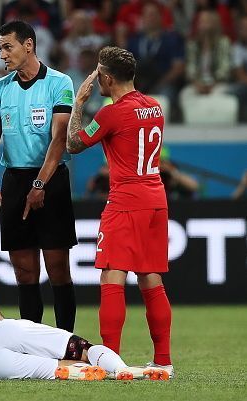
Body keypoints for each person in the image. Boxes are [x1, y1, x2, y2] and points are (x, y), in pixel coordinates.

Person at [66, 46, 174, 378]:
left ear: (108, 78)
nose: (95, 79)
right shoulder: (154, 107)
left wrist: (79, 102)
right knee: (150, 278)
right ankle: (163, 361)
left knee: (112, 275)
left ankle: (110, 361)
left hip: (126, 201)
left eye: (98, 74)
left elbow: (73, 143)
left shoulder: (112, 113)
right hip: (156, 199)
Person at [0, 21, 78, 332]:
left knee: (58, 268)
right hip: (14, 180)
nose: (3, 54)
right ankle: (34, 344)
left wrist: (40, 184)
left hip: (50, 180)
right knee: (24, 272)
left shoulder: (59, 83)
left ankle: (65, 344)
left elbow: (59, 137)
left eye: (7, 47)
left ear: (29, 45)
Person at [0, 282, 170, 381]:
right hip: (0, 331)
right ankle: (121, 368)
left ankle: (82, 371)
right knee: (80, 348)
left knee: (55, 368)